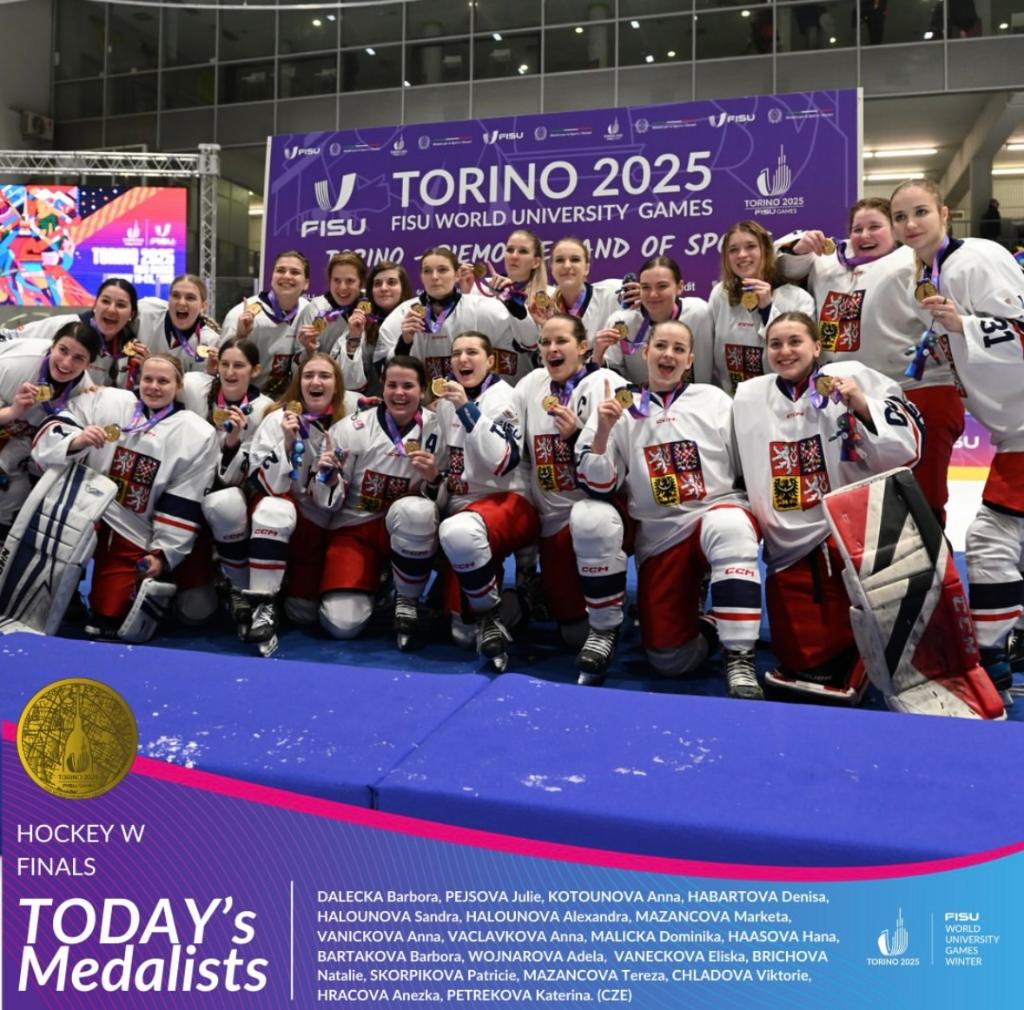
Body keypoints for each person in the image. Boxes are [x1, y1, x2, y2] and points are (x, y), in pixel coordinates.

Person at [732, 312, 923, 703]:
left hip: (845, 530)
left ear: (817, 346)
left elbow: (905, 450)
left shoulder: (849, 377)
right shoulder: (749, 395)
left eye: (795, 341)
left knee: (845, 637)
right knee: (799, 656)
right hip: (785, 543)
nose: (785, 351)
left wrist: (861, 404)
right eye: (775, 344)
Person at [577, 320, 764, 696]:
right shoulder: (620, 406)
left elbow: (747, 466)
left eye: (679, 349)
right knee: (670, 660)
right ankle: (710, 621)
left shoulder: (715, 400)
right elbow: (598, 484)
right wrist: (603, 431)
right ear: (646, 352)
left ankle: (739, 657)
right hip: (660, 533)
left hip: (714, 513)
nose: (669, 355)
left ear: (690, 360)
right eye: (661, 346)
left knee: (730, 528)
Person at [890, 178, 1024, 700]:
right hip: (1012, 432)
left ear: (945, 213)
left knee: (991, 539)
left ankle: (991, 663)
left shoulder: (976, 259)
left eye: (920, 212)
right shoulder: (929, 272)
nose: (910, 224)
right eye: (901, 216)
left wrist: (964, 325)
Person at [776, 198, 962, 524]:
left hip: (916, 389)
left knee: (922, 494)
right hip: (848, 394)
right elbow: (782, 266)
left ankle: (930, 554)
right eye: (857, 228)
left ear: (895, 230)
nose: (864, 235)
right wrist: (799, 247)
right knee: (862, 500)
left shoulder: (913, 260)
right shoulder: (827, 264)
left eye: (875, 226)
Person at [32, 353, 219, 640]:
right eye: (148, 379)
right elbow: (62, 420)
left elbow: (183, 500)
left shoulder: (197, 433)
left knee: (108, 617)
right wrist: (76, 440)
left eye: (163, 381)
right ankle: (61, 594)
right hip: (85, 510)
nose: (153, 387)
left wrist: (161, 554)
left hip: (132, 528)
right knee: (42, 593)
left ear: (178, 386)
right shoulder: (108, 401)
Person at [514, 314, 627, 651]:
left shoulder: (607, 384)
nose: (552, 349)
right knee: (573, 633)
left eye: (561, 341)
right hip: (553, 524)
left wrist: (577, 437)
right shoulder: (530, 385)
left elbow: (610, 479)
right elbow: (515, 451)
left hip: (605, 512)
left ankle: (616, 611)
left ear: (582, 347)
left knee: (590, 519)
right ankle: (535, 586)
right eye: (545, 342)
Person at [318, 355, 447, 649]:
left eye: (408, 386)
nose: (399, 393)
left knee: (416, 510)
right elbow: (327, 502)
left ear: (423, 391)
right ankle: (380, 581)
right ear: (383, 387)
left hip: (411, 530)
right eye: (392, 385)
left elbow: (449, 502)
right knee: (342, 625)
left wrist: (434, 480)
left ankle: (407, 598)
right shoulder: (352, 429)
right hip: (355, 529)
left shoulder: (439, 430)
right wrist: (329, 478)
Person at [434, 332, 539, 668]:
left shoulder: (504, 397)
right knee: (462, 635)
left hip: (507, 501)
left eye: (472, 352)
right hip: (461, 507)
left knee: (459, 532)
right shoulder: (443, 403)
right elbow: (443, 462)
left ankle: (494, 613)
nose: (463, 359)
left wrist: (466, 410)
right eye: (456, 354)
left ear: (491, 361)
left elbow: (501, 462)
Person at [242, 352, 352, 654]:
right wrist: (287, 444)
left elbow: (331, 504)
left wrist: (329, 478)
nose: (316, 382)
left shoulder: (346, 428)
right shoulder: (276, 419)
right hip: (273, 513)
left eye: (325, 376)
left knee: (303, 613)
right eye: (308, 376)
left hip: (314, 526)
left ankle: (282, 584)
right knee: (277, 510)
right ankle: (261, 606)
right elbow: (265, 485)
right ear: (298, 383)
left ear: (337, 386)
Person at [178, 336, 274, 632]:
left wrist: (233, 442)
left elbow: (234, 478)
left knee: (225, 502)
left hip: (235, 498)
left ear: (255, 370)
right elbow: (155, 387)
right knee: (194, 612)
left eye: (239, 366)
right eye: (225, 364)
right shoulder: (195, 387)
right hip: (189, 491)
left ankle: (239, 586)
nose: (230, 373)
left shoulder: (265, 410)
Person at [374, 246, 538, 385]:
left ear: (458, 274)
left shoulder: (482, 308)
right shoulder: (404, 314)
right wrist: (404, 343)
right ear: (421, 276)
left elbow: (529, 343)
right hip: (425, 407)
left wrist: (515, 307)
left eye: (443, 270)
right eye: (427, 271)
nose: (435, 277)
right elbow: (382, 372)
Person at [0, 321, 101, 538]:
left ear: (89, 365)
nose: (66, 363)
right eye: (62, 350)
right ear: (52, 345)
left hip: (15, 445)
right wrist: (12, 411)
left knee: (16, 496)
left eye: (79, 358)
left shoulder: (84, 393)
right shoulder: (14, 364)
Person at [708, 221, 814, 395]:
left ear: (765, 250)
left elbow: (802, 358)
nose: (742, 255)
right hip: (733, 399)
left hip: (783, 401)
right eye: (733, 250)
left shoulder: (798, 298)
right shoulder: (721, 294)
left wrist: (767, 309)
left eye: (750, 246)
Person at [0, 278, 139, 388]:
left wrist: (142, 367)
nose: (111, 309)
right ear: (95, 305)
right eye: (105, 301)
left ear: (131, 314)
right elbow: (6, 336)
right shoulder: (68, 326)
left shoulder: (130, 350)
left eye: (121, 305)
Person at [598, 255, 714, 387]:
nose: (653, 294)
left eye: (662, 286)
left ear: (680, 287)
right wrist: (598, 357)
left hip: (701, 397)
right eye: (646, 287)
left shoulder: (700, 313)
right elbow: (610, 375)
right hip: (642, 399)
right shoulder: (621, 322)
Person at [458, 229, 550, 383]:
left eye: (523, 251)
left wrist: (510, 295)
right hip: (482, 385)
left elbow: (537, 343)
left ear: (536, 262)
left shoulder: (546, 296)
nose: (514, 256)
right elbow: (463, 336)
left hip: (526, 383)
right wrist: (464, 296)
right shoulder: (480, 289)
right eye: (510, 250)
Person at [220, 250, 311, 397]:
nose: (286, 276)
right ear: (272, 277)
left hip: (290, 398)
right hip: (249, 398)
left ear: (306, 284)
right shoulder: (241, 315)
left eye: (295, 272)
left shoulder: (308, 312)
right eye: (280, 270)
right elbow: (224, 369)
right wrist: (241, 336)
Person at [329, 259, 412, 398]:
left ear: (403, 287)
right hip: (367, 404)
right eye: (377, 284)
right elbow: (345, 379)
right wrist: (354, 338)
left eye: (391, 282)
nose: (383, 288)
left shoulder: (416, 321)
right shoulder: (361, 322)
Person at [529, 237, 622, 348]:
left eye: (575, 260)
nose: (567, 266)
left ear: (586, 268)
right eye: (560, 260)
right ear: (552, 269)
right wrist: (548, 327)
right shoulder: (546, 310)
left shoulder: (612, 293)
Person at [132, 274, 220, 389]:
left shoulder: (210, 341)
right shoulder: (145, 312)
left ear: (203, 306)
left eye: (190, 298)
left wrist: (150, 367)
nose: (181, 302)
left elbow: (197, 389)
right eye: (175, 296)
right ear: (168, 299)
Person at [295, 251, 367, 381]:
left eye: (350, 281)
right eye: (336, 280)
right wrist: (308, 351)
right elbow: (297, 371)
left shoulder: (370, 310)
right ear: (329, 281)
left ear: (361, 283)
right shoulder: (315, 309)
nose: (342, 287)